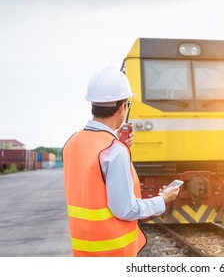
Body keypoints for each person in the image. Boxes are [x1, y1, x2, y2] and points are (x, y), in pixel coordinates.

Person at [62, 67, 180, 257]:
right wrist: (162, 199)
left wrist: (120, 145)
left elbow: (93, 180)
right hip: (113, 252)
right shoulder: (114, 151)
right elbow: (126, 209)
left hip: (84, 249)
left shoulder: (72, 142)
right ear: (123, 107)